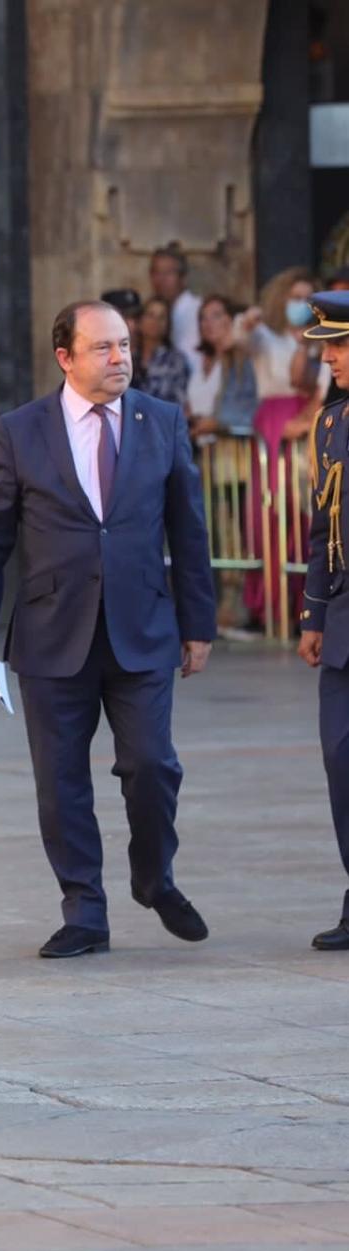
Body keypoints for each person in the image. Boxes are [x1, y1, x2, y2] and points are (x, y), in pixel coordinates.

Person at [0, 299, 217, 959]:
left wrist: (199, 624)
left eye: (125, 345)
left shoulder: (160, 421)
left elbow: (189, 530)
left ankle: (154, 877)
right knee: (62, 780)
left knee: (153, 765)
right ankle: (85, 911)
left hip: (144, 628)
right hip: (51, 633)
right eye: (103, 348)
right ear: (65, 357)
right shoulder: (22, 431)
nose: (120, 359)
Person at [296, 290, 349, 950]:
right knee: (341, 757)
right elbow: (321, 524)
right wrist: (313, 613)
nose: (330, 356)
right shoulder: (332, 421)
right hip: (342, 615)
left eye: (339, 344)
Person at [241, 268, 321, 630]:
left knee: (304, 514)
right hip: (273, 423)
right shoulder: (264, 336)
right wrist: (246, 320)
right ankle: (269, 604)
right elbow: (236, 340)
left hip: (306, 419)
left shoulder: (319, 340)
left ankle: (304, 605)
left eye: (307, 297)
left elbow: (304, 380)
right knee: (270, 511)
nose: (299, 303)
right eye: (294, 296)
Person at [186, 295, 258, 442]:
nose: (208, 323)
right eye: (203, 318)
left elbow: (246, 407)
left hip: (230, 447)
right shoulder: (198, 361)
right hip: (199, 447)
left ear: (231, 319)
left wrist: (215, 423)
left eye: (216, 316)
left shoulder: (240, 359)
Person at [151, 245, 203, 379]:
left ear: (182, 277)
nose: (161, 280)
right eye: (156, 272)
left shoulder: (199, 310)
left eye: (168, 273)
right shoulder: (154, 314)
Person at [131, 296, 190, 407]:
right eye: (150, 315)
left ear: (168, 324)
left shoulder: (176, 360)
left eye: (162, 317)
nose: (155, 321)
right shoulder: (130, 358)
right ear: (140, 321)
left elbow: (178, 402)